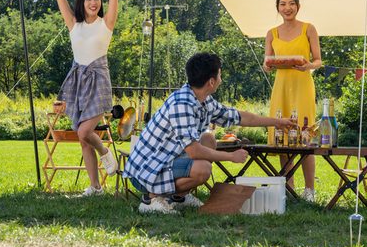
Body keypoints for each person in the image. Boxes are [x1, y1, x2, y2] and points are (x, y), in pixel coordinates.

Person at [123, 52, 295, 214]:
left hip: (166, 160)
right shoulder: (182, 104)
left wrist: (278, 122)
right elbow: (194, 151)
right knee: (203, 169)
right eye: (220, 74)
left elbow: (240, 117)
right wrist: (231, 157)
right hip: (146, 171)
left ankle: (179, 198)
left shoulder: (204, 100)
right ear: (211, 82)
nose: (222, 78)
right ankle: (150, 199)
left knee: (208, 138)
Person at [55, 0, 119, 197]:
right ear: (81, 2)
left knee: (84, 132)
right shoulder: (74, 24)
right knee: (82, 138)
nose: (93, 2)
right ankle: (95, 187)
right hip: (78, 80)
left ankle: (104, 152)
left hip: (98, 80)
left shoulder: (106, 23)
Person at [263, 0, 322, 202]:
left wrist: (308, 66)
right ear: (278, 7)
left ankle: (310, 191)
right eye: (282, 4)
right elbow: (267, 61)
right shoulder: (272, 33)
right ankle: (288, 188)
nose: (287, 8)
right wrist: (268, 66)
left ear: (298, 6)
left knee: (304, 136)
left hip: (302, 86)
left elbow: (318, 61)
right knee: (283, 136)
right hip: (280, 89)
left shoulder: (309, 29)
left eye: (291, 3)